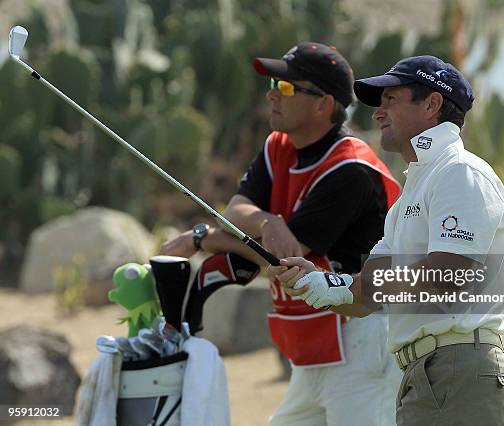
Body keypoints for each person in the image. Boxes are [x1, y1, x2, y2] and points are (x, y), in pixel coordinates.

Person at [160, 42, 403, 425]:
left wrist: (203, 239)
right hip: (319, 342)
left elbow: (279, 255)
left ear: (323, 105)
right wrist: (269, 221)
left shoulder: (350, 170)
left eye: (288, 87)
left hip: (363, 336)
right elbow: (235, 214)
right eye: (275, 82)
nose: (272, 93)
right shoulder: (279, 146)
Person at [270, 55, 504, 426]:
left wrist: (345, 285)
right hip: (425, 372)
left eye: (390, 100)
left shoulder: (458, 172)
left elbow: (447, 275)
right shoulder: (408, 197)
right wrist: (322, 281)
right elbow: (370, 294)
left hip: (456, 367)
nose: (377, 113)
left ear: (432, 104)